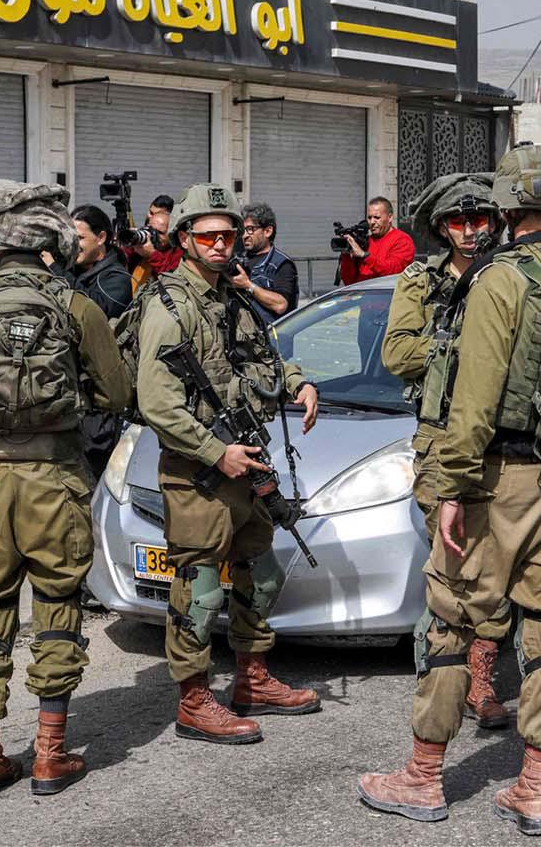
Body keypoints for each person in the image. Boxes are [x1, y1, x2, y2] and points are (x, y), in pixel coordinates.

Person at [359, 145, 541, 835]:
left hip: (498, 480)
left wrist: (455, 486)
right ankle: (536, 788)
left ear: (508, 206)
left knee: (453, 622)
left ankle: (422, 777)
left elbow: (474, 402)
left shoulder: (501, 280)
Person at [0, 179, 131, 800]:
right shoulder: (75, 305)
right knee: (58, 604)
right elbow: (116, 393)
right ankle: (49, 754)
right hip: (55, 480)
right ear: (47, 244)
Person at [136, 184, 321, 745]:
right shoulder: (170, 306)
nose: (220, 244)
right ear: (184, 238)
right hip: (199, 472)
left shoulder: (232, 297)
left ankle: (252, 678)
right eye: (208, 235)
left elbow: (262, 358)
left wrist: (298, 382)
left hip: (248, 460)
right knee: (199, 590)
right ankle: (194, 700)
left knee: (260, 574)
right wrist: (218, 452)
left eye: (229, 235)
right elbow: (157, 402)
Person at [380, 173, 511, 731]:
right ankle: (444, 674)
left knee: (499, 558)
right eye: (458, 221)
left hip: (503, 435)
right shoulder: (421, 280)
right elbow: (397, 354)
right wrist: (467, 345)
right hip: (442, 435)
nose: (469, 230)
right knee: (453, 560)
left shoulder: (509, 274)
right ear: (441, 228)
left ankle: (482, 677)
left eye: (479, 219)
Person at [70, 205, 134, 482]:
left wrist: (55, 269)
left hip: (100, 402)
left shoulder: (118, 278)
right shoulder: (73, 270)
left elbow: (93, 311)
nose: (74, 245)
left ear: (101, 238)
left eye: (80, 238)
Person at [232, 202, 299, 324]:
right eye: (243, 230)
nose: (245, 235)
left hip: (272, 333)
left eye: (250, 229)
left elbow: (280, 305)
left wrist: (248, 285)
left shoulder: (282, 264)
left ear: (268, 231)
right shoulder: (237, 260)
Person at [340, 196, 416, 285]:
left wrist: (364, 255)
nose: (372, 222)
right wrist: (346, 255)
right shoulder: (365, 242)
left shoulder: (402, 240)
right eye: (369, 217)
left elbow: (393, 271)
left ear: (390, 217)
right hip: (362, 292)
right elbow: (349, 281)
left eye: (377, 217)